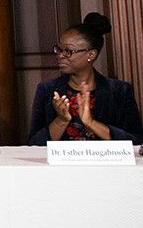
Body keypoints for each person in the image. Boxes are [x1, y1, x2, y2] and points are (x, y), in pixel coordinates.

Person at [28, 13, 143, 145]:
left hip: (106, 165)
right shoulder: (47, 90)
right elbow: (33, 145)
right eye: (59, 49)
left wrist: (91, 122)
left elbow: (136, 143)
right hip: (61, 165)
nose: (60, 55)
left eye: (68, 51)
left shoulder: (119, 91)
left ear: (91, 55)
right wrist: (61, 120)